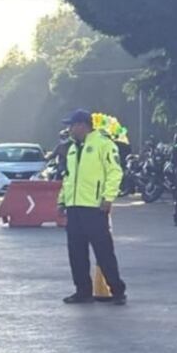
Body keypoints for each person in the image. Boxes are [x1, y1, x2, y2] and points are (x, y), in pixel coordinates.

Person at [56, 109, 127, 305]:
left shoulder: (103, 144)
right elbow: (68, 177)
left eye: (71, 125)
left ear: (82, 125)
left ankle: (117, 290)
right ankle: (82, 290)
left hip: (95, 207)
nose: (69, 129)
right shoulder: (72, 149)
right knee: (76, 252)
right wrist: (62, 200)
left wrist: (108, 197)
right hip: (75, 206)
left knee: (103, 251)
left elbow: (114, 172)